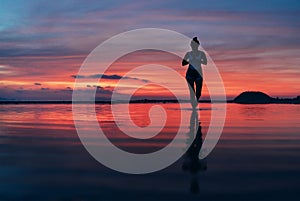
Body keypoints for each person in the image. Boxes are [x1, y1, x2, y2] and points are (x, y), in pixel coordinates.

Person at [182, 37, 207, 106]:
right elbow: (183, 63)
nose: (194, 46)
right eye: (192, 45)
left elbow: (205, 62)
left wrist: (199, 60)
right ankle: (193, 107)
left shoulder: (201, 54)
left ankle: (195, 103)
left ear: (198, 45)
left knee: (198, 93)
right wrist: (190, 61)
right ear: (191, 46)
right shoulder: (188, 54)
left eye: (195, 45)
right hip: (190, 74)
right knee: (192, 92)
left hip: (198, 74)